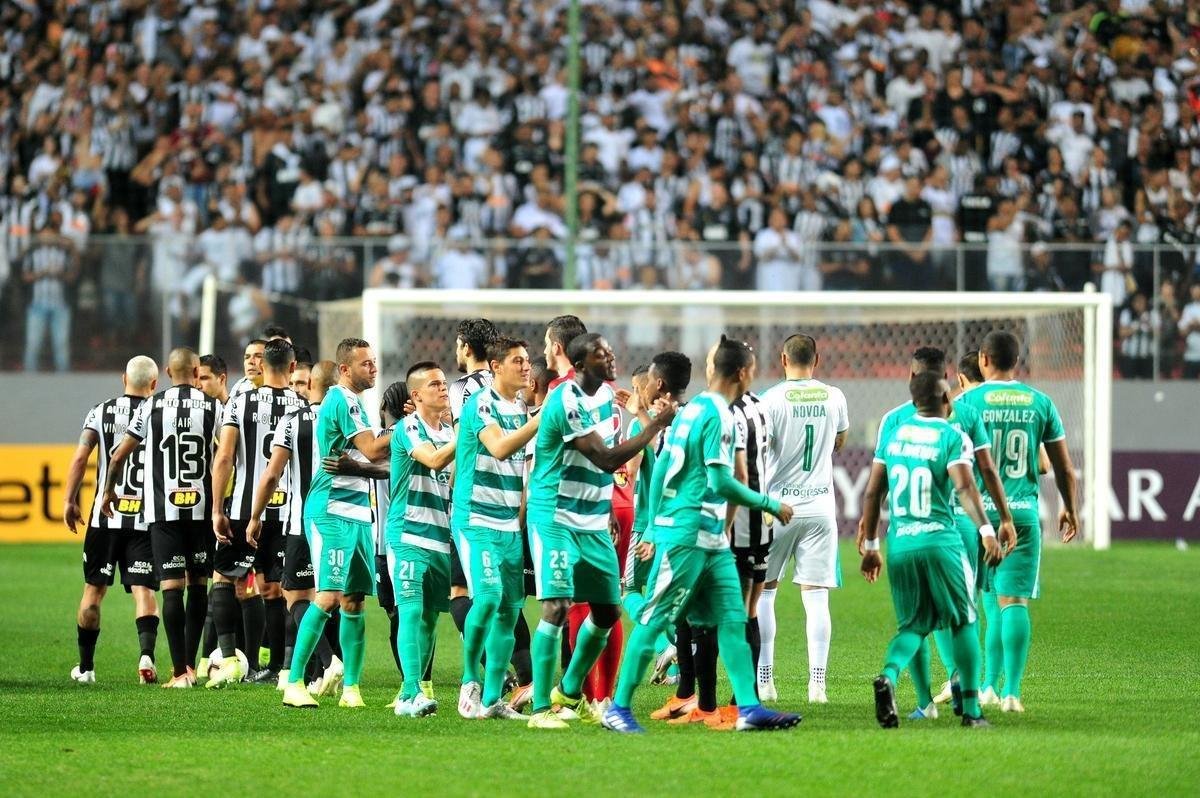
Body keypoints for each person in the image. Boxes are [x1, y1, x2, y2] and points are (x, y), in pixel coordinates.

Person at [601, 336, 801, 734]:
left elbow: (660, 470)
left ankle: (748, 707)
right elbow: (722, 482)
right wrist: (769, 504)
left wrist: (655, 522)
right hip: (689, 535)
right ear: (744, 373)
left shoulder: (688, 412)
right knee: (657, 620)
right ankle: (618, 707)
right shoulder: (719, 416)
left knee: (730, 619)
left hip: (710, 537)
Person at [524, 333, 676, 729]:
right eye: (601, 353)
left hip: (592, 517)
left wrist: (607, 504)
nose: (611, 357)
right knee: (557, 606)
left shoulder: (607, 397)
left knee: (608, 610)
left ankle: (569, 689)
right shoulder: (566, 399)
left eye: (610, 351)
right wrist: (654, 425)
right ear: (579, 362)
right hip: (555, 516)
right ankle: (541, 709)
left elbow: (603, 460)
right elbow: (606, 457)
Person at [874, 347, 1016, 718]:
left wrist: (869, 535)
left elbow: (877, 487)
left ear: (911, 378)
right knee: (963, 616)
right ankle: (964, 690)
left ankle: (923, 703)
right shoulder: (965, 415)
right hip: (958, 530)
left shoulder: (894, 422)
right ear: (946, 383)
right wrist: (999, 520)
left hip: (903, 534)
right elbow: (984, 473)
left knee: (915, 622)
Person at [957, 331, 1079, 712]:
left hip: (973, 516)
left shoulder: (965, 402)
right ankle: (1010, 692)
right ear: (1018, 361)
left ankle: (974, 686)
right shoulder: (1040, 402)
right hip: (1022, 513)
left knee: (969, 605)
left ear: (983, 360)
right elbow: (1062, 467)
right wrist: (1069, 507)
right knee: (1014, 602)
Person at [281, 338, 393, 709]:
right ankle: (295, 682)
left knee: (355, 601)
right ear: (345, 370)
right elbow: (376, 450)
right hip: (330, 510)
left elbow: (372, 464)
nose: (373, 368)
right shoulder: (341, 400)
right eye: (365, 364)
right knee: (327, 596)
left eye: (374, 362)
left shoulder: (356, 404)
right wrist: (412, 426)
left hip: (359, 510)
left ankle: (352, 690)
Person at [101, 348, 220, 688]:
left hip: (162, 511)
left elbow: (119, 453)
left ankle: (179, 671)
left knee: (171, 589)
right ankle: (191, 669)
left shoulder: (150, 406)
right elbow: (229, 453)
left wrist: (108, 491)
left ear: (167, 372)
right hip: (200, 511)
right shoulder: (214, 406)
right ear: (197, 371)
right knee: (199, 585)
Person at [207, 339, 306, 687]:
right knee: (275, 590)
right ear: (293, 368)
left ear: (261, 365)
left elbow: (224, 458)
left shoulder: (240, 401)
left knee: (225, 579)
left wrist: (217, 508)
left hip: (243, 506)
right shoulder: (303, 405)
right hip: (286, 512)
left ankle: (231, 659)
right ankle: (280, 668)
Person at [755, 335, 848, 704]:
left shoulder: (771, 399)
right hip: (820, 507)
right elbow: (840, 442)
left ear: (782, 358)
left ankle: (765, 680)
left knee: (764, 593)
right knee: (817, 599)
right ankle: (817, 686)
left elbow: (761, 449)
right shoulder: (834, 395)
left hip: (777, 508)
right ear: (817, 359)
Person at [454, 337, 542, 719]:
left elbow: (520, 466)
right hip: (476, 518)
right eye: (518, 361)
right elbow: (501, 448)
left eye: (527, 361)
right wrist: (540, 421)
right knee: (487, 598)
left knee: (508, 610)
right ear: (495, 366)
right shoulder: (481, 404)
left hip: (508, 523)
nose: (526, 367)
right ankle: (469, 682)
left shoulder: (520, 408)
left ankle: (492, 699)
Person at [63, 356, 161, 685]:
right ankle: (146, 655)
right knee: (144, 591)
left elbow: (80, 457)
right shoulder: (158, 412)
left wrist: (69, 499)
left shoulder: (100, 411)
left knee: (93, 592)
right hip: (144, 519)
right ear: (154, 384)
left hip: (104, 518)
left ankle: (86, 668)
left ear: (123, 379)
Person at [248, 360, 339, 690]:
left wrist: (255, 516)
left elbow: (272, 474)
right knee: (328, 597)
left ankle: (329, 662)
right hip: (339, 521)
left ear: (311, 385)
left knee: (296, 597)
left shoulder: (295, 420)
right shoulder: (346, 416)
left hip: (301, 521)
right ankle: (318, 673)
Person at [386, 362, 457, 717]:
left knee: (430, 617)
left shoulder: (448, 430)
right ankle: (411, 692)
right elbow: (432, 460)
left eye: (444, 383)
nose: (443, 389)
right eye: (434, 384)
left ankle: (409, 689)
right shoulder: (408, 427)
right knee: (411, 612)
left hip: (440, 537)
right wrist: (468, 435)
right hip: (408, 533)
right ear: (416, 395)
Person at [447, 318, 499, 643]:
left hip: (472, 496)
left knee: (462, 589)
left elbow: (461, 443)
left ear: (466, 347)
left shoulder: (462, 388)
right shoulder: (504, 380)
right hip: (508, 493)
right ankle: (522, 670)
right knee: (503, 592)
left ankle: (485, 665)